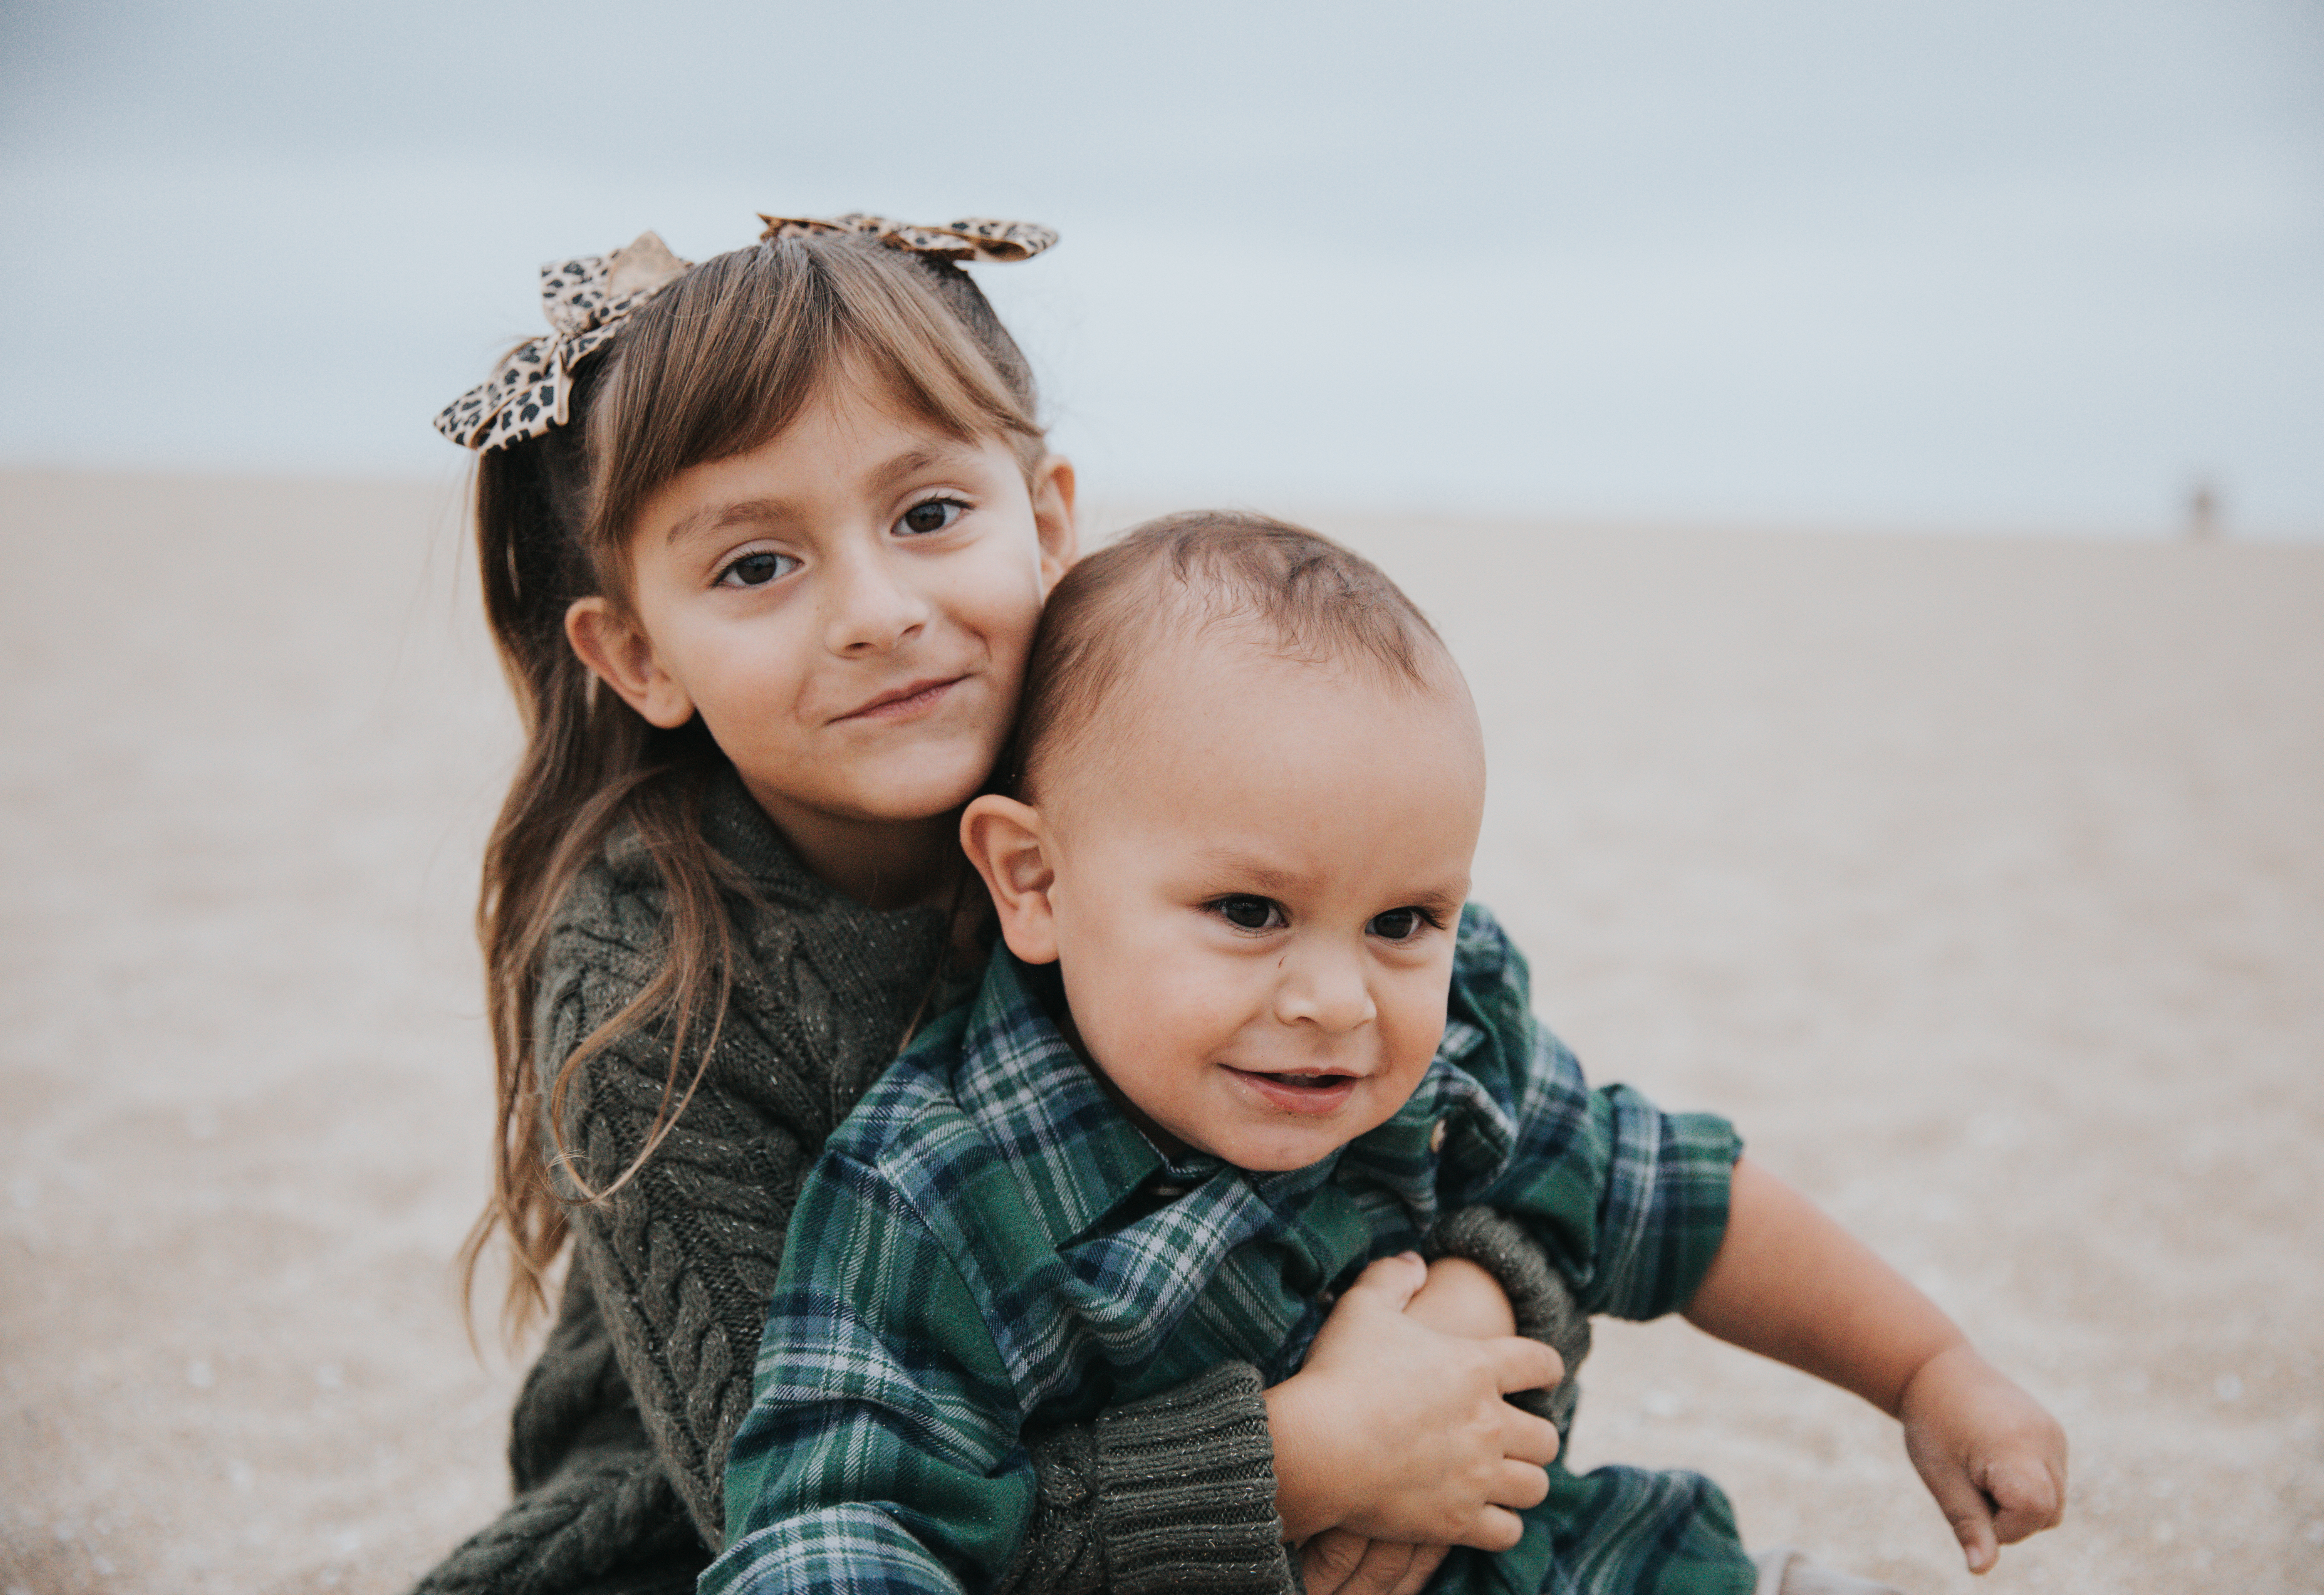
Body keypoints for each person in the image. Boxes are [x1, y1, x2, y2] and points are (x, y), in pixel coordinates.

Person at [415, 217, 1596, 1595]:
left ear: (1042, 521)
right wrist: (1303, 1459)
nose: (877, 612)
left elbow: (1529, 1126)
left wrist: (1471, 1311)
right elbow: (800, 1515)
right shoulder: (648, 996)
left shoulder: (1166, 760)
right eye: (755, 566)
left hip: (1186, 1421)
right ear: (638, 656)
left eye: (927, 516)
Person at [704, 516, 2070, 1595]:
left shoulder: (1455, 1050)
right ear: (1036, 881)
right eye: (1249, 913)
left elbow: (1673, 1196)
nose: (1337, 1001)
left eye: (1404, 921)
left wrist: (1926, 1369)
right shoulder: (939, 1187)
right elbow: (839, 1520)